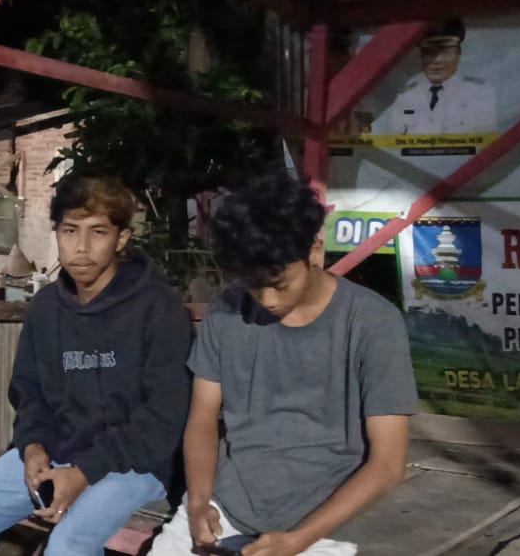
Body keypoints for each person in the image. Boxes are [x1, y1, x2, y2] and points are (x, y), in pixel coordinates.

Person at [153, 172, 417, 556]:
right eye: (252, 283)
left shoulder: (373, 322)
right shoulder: (226, 312)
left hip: (322, 525)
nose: (267, 300)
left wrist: (297, 541)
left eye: (279, 283)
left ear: (315, 250)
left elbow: (388, 464)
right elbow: (203, 416)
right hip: (225, 506)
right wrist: (198, 502)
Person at [0, 175, 193, 556]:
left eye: (98, 232)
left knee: (68, 545)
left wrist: (85, 471)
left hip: (135, 462)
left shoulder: (158, 309)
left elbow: (162, 418)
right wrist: (33, 446)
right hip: (59, 450)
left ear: (121, 239)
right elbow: (29, 390)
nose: (81, 247)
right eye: (70, 230)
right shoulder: (45, 308)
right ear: (56, 232)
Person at [379, 19, 498, 136]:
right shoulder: (408, 94)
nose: (437, 60)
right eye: (430, 53)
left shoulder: (479, 92)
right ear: (422, 56)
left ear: (458, 55)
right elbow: (392, 137)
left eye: (445, 52)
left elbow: (486, 141)